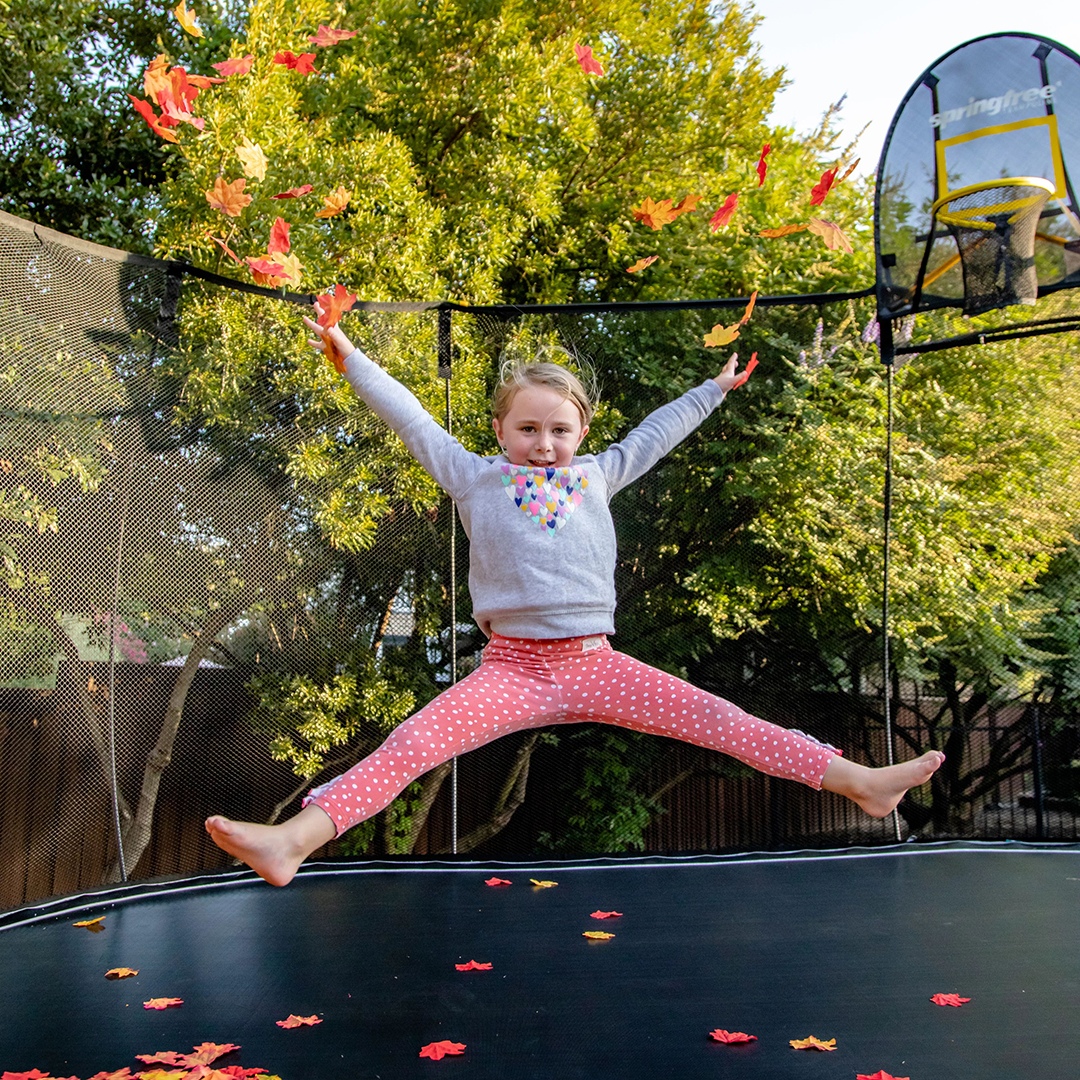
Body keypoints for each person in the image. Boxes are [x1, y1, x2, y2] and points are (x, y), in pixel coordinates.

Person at [206, 308, 943, 886]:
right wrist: (346, 351)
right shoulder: (472, 477)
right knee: (412, 744)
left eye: (559, 429)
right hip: (511, 671)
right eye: (526, 428)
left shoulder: (598, 474)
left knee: (724, 721)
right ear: (499, 430)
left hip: (597, 663)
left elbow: (658, 433)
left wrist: (712, 390)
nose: (543, 442)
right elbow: (407, 414)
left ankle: (862, 784)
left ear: (582, 431)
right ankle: (292, 841)